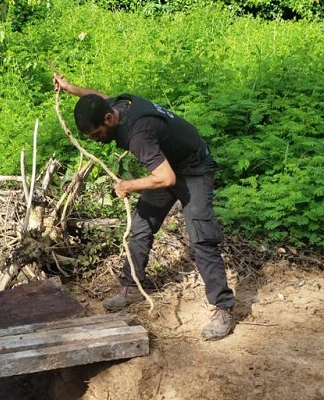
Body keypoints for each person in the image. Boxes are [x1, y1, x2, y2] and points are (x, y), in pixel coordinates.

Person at [54, 73, 236, 340]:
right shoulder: (117, 105)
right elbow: (97, 96)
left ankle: (223, 307)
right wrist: (70, 88)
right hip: (167, 165)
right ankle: (131, 286)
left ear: (108, 119)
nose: (96, 140)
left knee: (201, 236)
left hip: (193, 169)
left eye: (97, 134)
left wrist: (129, 185)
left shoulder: (138, 134)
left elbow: (166, 178)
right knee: (141, 227)